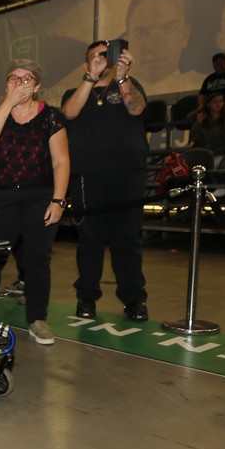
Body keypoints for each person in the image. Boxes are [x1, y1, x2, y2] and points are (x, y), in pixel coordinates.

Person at [0, 59, 70, 345]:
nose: (19, 83)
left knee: (38, 260)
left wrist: (58, 200)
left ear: (37, 86)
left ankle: (37, 319)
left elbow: (61, 161)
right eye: (13, 78)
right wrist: (8, 103)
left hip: (39, 197)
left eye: (26, 78)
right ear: (6, 84)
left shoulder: (50, 116)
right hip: (3, 197)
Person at [61, 40, 150, 321]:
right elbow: (69, 113)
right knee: (90, 239)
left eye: (106, 54)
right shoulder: (74, 92)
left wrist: (122, 77)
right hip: (86, 176)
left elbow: (137, 108)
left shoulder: (128, 84)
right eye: (95, 56)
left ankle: (134, 299)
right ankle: (86, 298)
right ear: (86, 63)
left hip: (127, 173)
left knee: (128, 239)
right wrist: (90, 77)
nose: (102, 59)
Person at [124, 0, 197, 96]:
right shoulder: (109, 93)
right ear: (128, 42)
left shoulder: (202, 86)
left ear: (185, 35)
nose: (153, 45)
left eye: (168, 28)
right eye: (142, 33)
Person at [188, 91, 225, 158]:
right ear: (208, 104)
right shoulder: (202, 119)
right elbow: (193, 138)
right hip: (202, 153)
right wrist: (198, 123)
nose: (218, 104)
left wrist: (214, 153)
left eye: (221, 101)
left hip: (221, 154)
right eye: (215, 102)